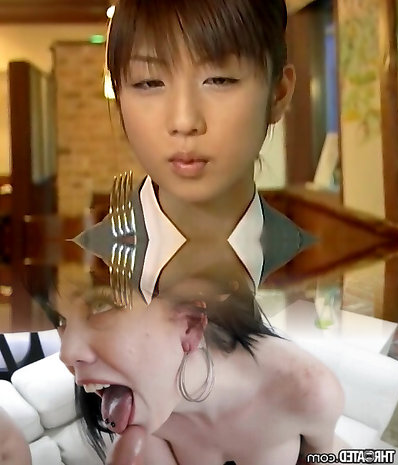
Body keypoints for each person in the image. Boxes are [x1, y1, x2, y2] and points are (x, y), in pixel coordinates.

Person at [46, 222, 346, 465]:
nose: (67, 354)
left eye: (100, 306)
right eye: (60, 320)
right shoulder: (147, 415)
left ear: (190, 321)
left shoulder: (307, 389)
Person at [104, 0, 300, 242]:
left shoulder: (317, 256)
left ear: (278, 95)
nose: (184, 122)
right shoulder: (93, 257)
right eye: (149, 83)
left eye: (219, 80)